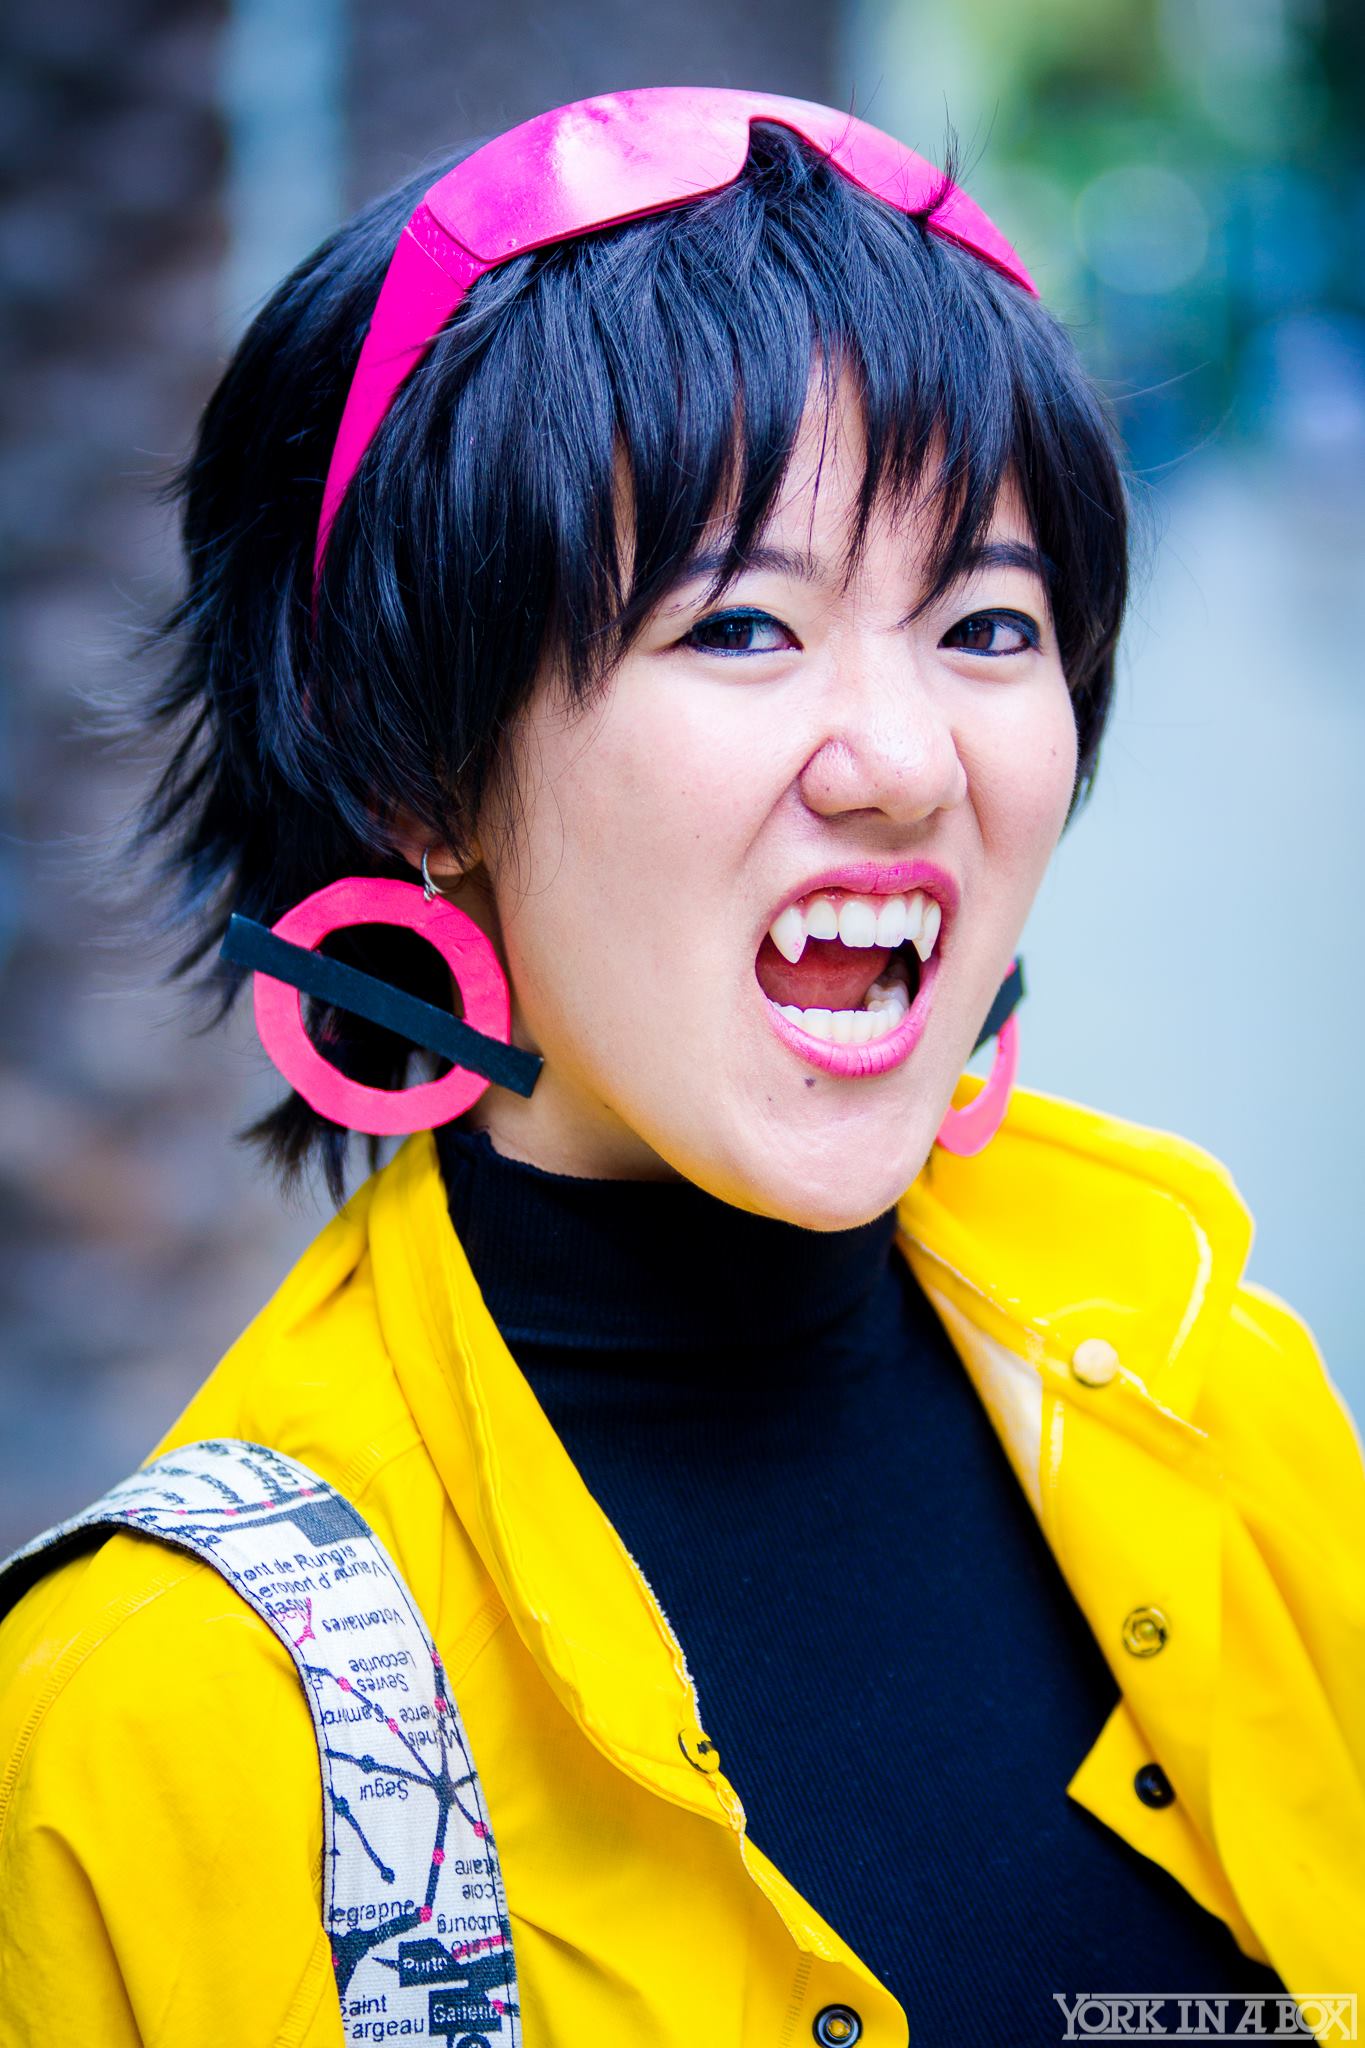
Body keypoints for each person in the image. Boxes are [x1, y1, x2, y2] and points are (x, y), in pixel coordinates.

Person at [0, 87, 1360, 2048]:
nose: (905, 760)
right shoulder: (154, 1713)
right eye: (736, 626)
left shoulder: (1210, 1390)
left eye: (988, 623)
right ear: (414, 765)